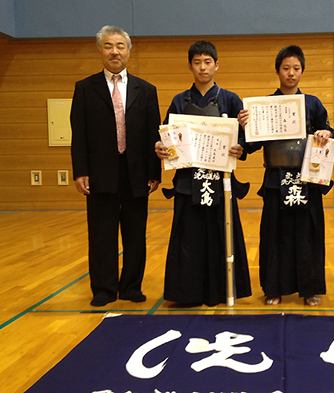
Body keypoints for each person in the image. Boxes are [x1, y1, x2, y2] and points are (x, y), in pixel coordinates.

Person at [155, 41, 251, 307]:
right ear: (190, 66)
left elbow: (244, 140)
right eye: (197, 62)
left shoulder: (231, 99)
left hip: (221, 182)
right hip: (188, 181)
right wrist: (161, 147)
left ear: (216, 65)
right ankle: (188, 293)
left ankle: (221, 290)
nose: (202, 67)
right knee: (189, 237)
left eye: (208, 62)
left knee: (222, 234)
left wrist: (240, 144)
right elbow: (166, 137)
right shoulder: (178, 101)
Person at [70, 26, 161, 307]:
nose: (114, 51)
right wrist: (80, 171)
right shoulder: (85, 88)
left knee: (135, 233)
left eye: (120, 46)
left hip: (136, 173)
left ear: (129, 51)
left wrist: (154, 173)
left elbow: (153, 135)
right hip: (100, 173)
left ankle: (132, 286)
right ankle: (104, 289)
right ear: (100, 51)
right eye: (108, 46)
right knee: (101, 233)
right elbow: (79, 134)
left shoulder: (145, 90)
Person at [238, 45, 333, 306]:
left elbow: (328, 130)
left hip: (307, 178)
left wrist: (326, 133)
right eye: (286, 68)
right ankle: (274, 288)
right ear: (278, 71)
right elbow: (251, 144)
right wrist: (245, 127)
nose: (291, 73)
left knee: (308, 234)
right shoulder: (264, 105)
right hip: (275, 178)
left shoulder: (312, 103)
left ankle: (309, 289)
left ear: (302, 71)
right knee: (274, 233)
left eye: (296, 69)